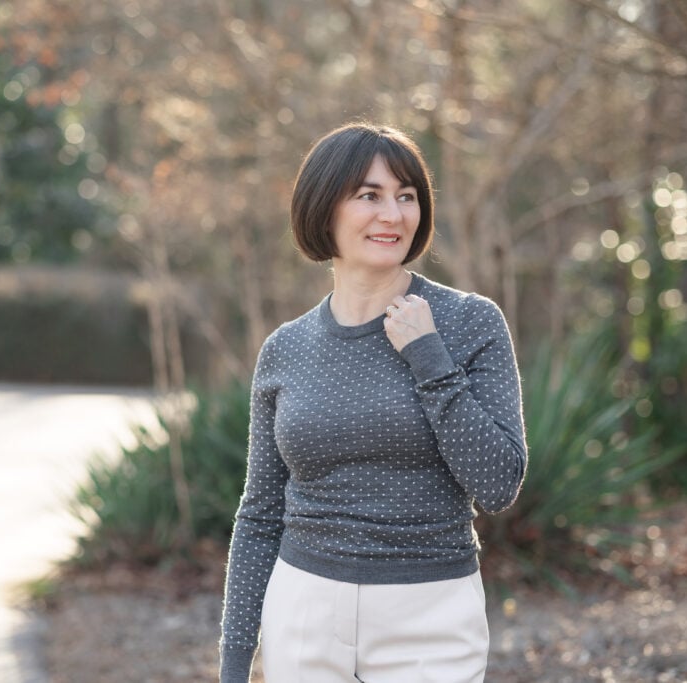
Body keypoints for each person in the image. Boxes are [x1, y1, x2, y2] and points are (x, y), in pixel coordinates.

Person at [219, 122, 527, 682]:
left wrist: (429, 358)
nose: (393, 215)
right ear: (324, 209)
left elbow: (499, 483)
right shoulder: (285, 348)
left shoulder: (470, 322)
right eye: (370, 195)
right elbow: (260, 514)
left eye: (406, 197)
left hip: (430, 615)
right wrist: (235, 661)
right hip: (303, 611)